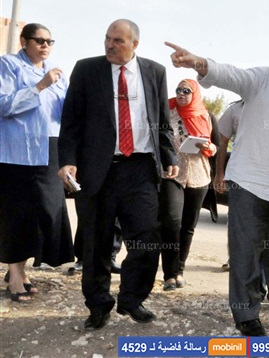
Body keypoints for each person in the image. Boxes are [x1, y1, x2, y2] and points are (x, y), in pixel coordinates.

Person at [166, 37, 269, 337]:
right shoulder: (266, 79)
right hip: (250, 184)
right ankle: (246, 315)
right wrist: (198, 63)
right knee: (246, 253)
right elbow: (231, 75)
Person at [58, 19, 178, 331]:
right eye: (108, 39)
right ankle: (98, 305)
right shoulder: (87, 70)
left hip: (140, 168)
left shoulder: (154, 72)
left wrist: (169, 156)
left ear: (134, 44)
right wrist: (68, 161)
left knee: (147, 239)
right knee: (96, 242)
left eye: (118, 41)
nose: (110, 45)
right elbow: (70, 122)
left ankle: (131, 299)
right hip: (97, 169)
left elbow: (161, 119)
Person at [0, 23, 74, 302]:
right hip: (16, 152)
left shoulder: (57, 72)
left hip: (49, 149)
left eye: (49, 41)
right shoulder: (8, 65)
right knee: (17, 214)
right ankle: (15, 275)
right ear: (24, 41)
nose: (45, 46)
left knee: (45, 212)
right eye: (39, 40)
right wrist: (40, 86)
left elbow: (65, 113)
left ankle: (21, 269)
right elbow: (4, 105)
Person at [159, 79, 218, 291]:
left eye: (186, 90)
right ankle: (168, 275)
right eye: (178, 90)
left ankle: (179, 271)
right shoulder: (167, 113)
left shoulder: (207, 116)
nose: (181, 94)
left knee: (188, 227)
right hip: (171, 175)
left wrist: (208, 146)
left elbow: (217, 147)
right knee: (171, 222)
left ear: (195, 94)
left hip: (199, 176)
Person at [213, 100, 244, 272]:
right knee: (236, 220)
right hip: (239, 176)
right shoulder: (235, 109)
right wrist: (219, 173)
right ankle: (235, 258)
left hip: (268, 178)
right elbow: (222, 142)